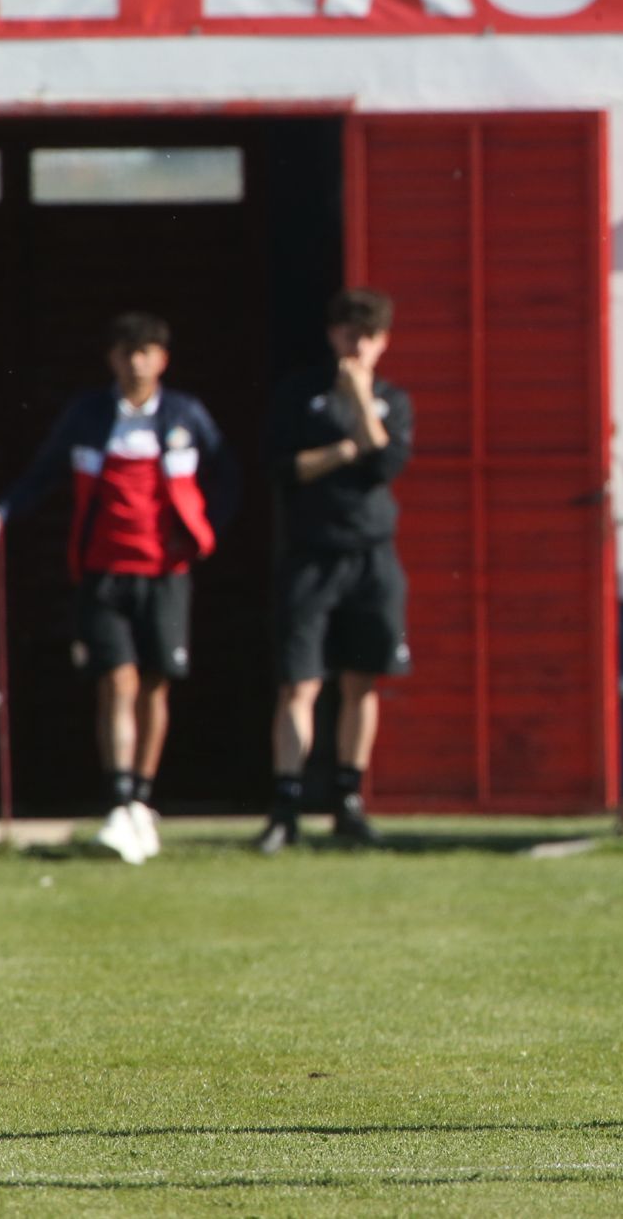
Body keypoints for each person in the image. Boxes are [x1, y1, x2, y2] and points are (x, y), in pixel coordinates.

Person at [0, 312, 233, 863]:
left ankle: (141, 800)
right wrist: (2, 511)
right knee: (117, 681)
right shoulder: (88, 414)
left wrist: (201, 533)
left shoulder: (186, 415)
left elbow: (225, 476)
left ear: (162, 359)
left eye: (146, 352)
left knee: (155, 685)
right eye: (126, 352)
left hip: (166, 573)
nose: (136, 362)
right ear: (111, 358)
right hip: (102, 571)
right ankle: (118, 799)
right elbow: (44, 472)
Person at [257, 289, 414, 854]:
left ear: (383, 342)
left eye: (368, 337)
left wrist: (359, 398)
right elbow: (283, 467)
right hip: (310, 555)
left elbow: (387, 461)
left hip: (371, 557)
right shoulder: (300, 394)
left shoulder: (392, 399)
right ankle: (286, 805)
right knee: (299, 682)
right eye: (349, 334)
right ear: (332, 334)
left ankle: (349, 800)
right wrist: (346, 450)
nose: (357, 346)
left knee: (361, 680)